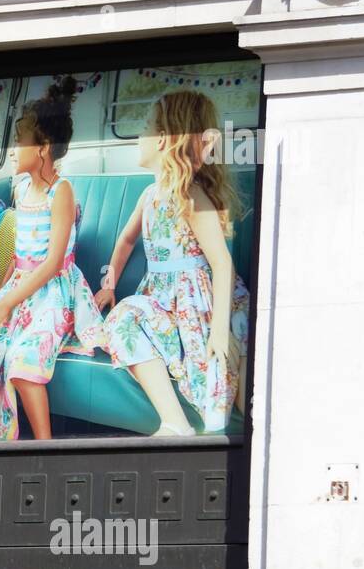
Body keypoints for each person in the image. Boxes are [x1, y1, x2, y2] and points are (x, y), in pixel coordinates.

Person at [0, 76, 105, 440]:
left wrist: (8, 303)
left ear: (43, 147)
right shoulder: (21, 188)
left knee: (21, 359)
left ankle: (45, 446)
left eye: (19, 142)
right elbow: (20, 258)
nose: (13, 150)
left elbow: (51, 263)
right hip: (19, 288)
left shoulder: (61, 192)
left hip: (52, 292)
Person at [95, 90, 249, 436]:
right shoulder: (149, 195)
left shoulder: (190, 196)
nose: (139, 136)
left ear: (163, 139)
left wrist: (220, 333)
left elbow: (222, 264)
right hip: (164, 302)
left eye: (146, 128)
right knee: (122, 319)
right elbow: (126, 241)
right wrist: (110, 285)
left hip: (200, 305)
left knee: (224, 368)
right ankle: (175, 423)